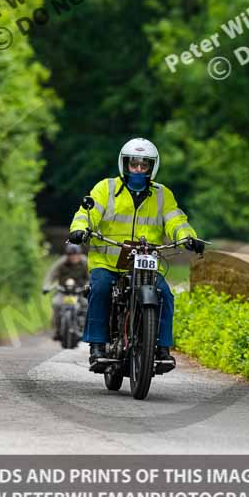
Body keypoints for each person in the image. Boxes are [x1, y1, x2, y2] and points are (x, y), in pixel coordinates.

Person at [68, 137, 204, 366]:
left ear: (153, 167)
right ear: (125, 164)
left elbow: (176, 221)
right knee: (100, 288)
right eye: (134, 164)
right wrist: (80, 230)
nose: (139, 169)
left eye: (144, 165)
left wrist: (187, 238)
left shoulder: (163, 195)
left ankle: (162, 348)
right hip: (107, 262)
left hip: (146, 263)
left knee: (165, 294)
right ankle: (98, 346)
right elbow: (87, 213)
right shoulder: (106, 188)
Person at [42, 243, 88, 340]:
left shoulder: (85, 262)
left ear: (80, 254)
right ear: (67, 255)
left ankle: (84, 328)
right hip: (63, 291)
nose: (74, 257)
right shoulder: (61, 263)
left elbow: (91, 276)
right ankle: (58, 329)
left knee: (86, 304)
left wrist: (88, 286)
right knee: (56, 304)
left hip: (80, 290)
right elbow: (51, 275)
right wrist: (46, 286)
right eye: (71, 255)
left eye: (76, 254)